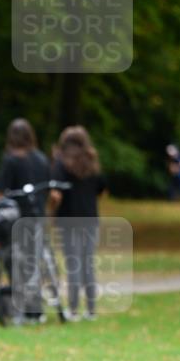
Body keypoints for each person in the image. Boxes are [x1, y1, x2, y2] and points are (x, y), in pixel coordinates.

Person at [0, 118, 51, 323]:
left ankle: (26, 307)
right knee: (33, 263)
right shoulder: (42, 159)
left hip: (16, 220)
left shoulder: (11, 160)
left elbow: (1, 192)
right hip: (38, 218)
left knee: (15, 262)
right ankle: (35, 308)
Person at [52, 126, 106, 321]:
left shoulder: (61, 164)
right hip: (90, 219)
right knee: (88, 263)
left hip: (68, 220)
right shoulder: (92, 162)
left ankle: (74, 309)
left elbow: (56, 193)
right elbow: (101, 189)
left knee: (73, 263)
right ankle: (91, 309)